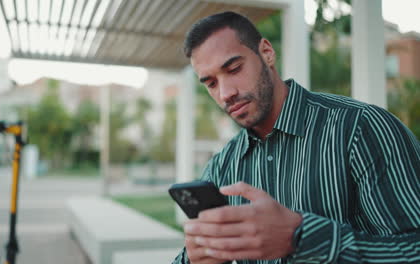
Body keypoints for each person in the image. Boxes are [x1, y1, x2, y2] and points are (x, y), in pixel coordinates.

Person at [172, 11, 420, 264]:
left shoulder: (361, 129)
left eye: (234, 69)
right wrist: (194, 259)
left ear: (267, 53)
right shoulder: (222, 166)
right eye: (211, 83)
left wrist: (302, 237)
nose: (225, 93)